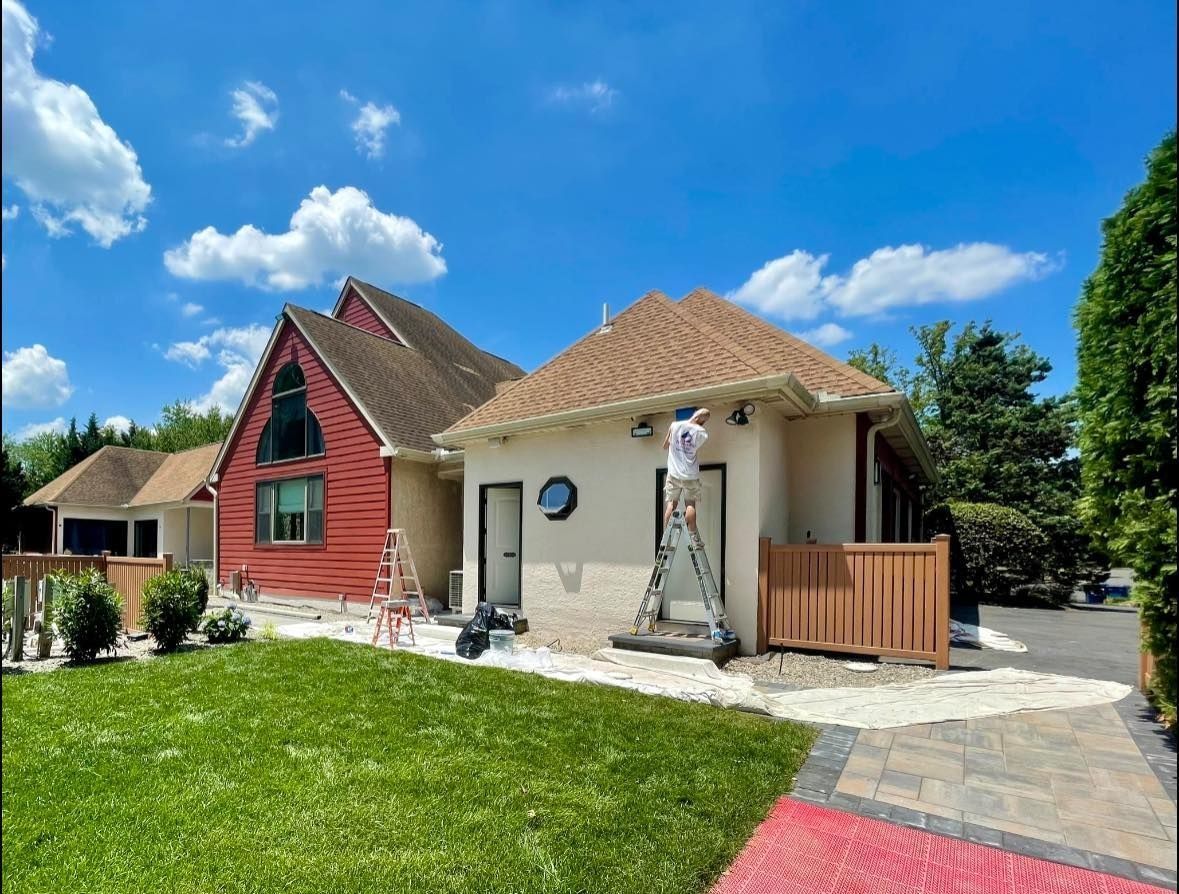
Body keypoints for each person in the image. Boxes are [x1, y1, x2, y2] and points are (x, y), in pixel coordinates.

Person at [662, 408, 710, 544]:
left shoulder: (675, 426)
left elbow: (665, 445)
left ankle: (666, 536)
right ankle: (693, 537)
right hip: (690, 474)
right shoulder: (702, 433)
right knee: (690, 505)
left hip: (674, 473)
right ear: (703, 422)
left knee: (671, 504)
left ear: (695, 414)